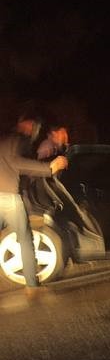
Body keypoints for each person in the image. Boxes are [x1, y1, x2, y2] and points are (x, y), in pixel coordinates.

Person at [1, 116, 68, 294]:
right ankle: (32, 286)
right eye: (31, 125)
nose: (33, 128)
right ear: (23, 125)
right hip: (8, 198)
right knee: (25, 240)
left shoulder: (5, 139)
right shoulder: (17, 140)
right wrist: (49, 168)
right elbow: (17, 163)